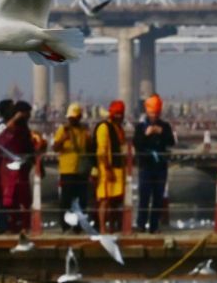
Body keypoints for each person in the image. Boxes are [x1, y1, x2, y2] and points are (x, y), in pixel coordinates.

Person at [133, 94, 176, 233]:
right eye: (152, 113)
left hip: (160, 167)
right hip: (146, 166)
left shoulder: (165, 126)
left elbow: (171, 142)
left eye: (156, 114)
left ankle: (154, 226)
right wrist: (146, 134)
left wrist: (161, 132)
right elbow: (137, 144)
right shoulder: (140, 127)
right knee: (144, 197)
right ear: (147, 112)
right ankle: (141, 225)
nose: (154, 116)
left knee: (158, 197)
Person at [0, 101, 37, 234]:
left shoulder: (24, 130)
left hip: (21, 169)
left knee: (23, 199)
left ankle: (23, 226)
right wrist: (15, 119)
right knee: (10, 198)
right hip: (8, 170)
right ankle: (12, 226)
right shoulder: (7, 128)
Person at [51, 103, 93, 229]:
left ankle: (79, 226)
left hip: (81, 170)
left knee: (81, 200)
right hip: (67, 170)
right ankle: (65, 225)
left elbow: (89, 149)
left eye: (74, 117)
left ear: (79, 117)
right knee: (66, 200)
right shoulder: (63, 130)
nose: (72, 120)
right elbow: (55, 148)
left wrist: (89, 139)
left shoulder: (83, 131)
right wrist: (63, 139)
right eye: (70, 117)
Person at [93, 100, 128, 233]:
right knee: (105, 200)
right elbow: (101, 151)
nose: (120, 116)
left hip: (119, 169)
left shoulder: (119, 128)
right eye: (118, 114)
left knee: (115, 201)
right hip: (107, 169)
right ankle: (103, 228)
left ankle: (112, 227)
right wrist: (107, 169)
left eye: (122, 114)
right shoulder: (104, 127)